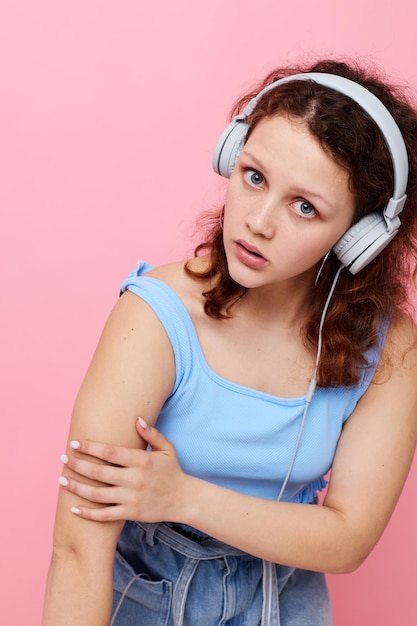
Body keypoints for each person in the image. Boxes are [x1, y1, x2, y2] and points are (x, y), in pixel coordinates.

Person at [42, 59, 417, 626]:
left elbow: (347, 539)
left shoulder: (391, 349)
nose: (258, 222)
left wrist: (180, 496)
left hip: (289, 601)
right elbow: (77, 550)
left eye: (305, 207)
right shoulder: (154, 316)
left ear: (359, 237)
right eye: (255, 176)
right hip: (147, 598)